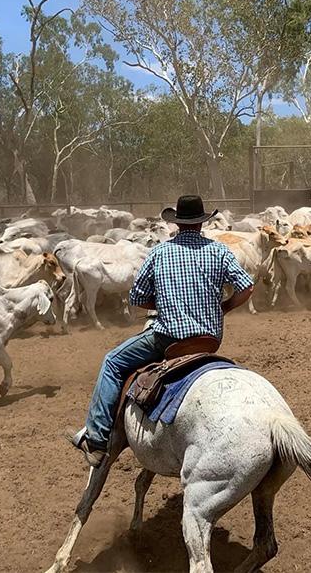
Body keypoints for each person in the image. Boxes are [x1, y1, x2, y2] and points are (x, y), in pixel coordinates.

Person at [71, 195, 254, 467]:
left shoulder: (158, 252)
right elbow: (247, 287)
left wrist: (168, 302)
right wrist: (224, 308)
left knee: (112, 362)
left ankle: (97, 439)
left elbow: (137, 298)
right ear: (202, 223)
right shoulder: (220, 251)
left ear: (177, 224)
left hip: (168, 339)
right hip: (209, 340)